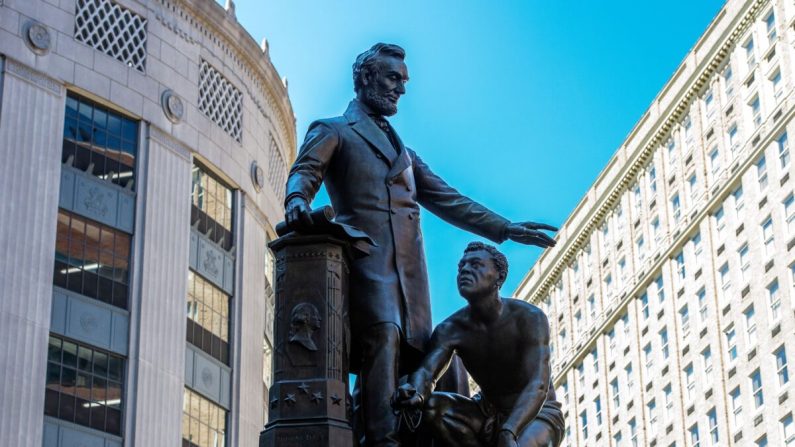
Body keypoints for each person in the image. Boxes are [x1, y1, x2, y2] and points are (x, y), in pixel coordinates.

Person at [284, 43, 557, 446]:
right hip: (366, 263)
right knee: (384, 334)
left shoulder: (407, 155)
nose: (401, 89)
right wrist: (296, 201)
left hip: (411, 280)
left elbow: (450, 200)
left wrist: (504, 228)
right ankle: (382, 440)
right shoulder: (334, 130)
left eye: (404, 81)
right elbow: (304, 172)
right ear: (366, 78)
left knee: (418, 359)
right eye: (393, 78)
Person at [393, 242, 564, 447]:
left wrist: (509, 430)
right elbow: (427, 374)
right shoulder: (450, 329)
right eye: (461, 267)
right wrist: (415, 392)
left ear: (499, 277)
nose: (465, 270)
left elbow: (538, 385)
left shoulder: (529, 317)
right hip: (485, 412)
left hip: (536, 414)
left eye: (475, 264)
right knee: (433, 406)